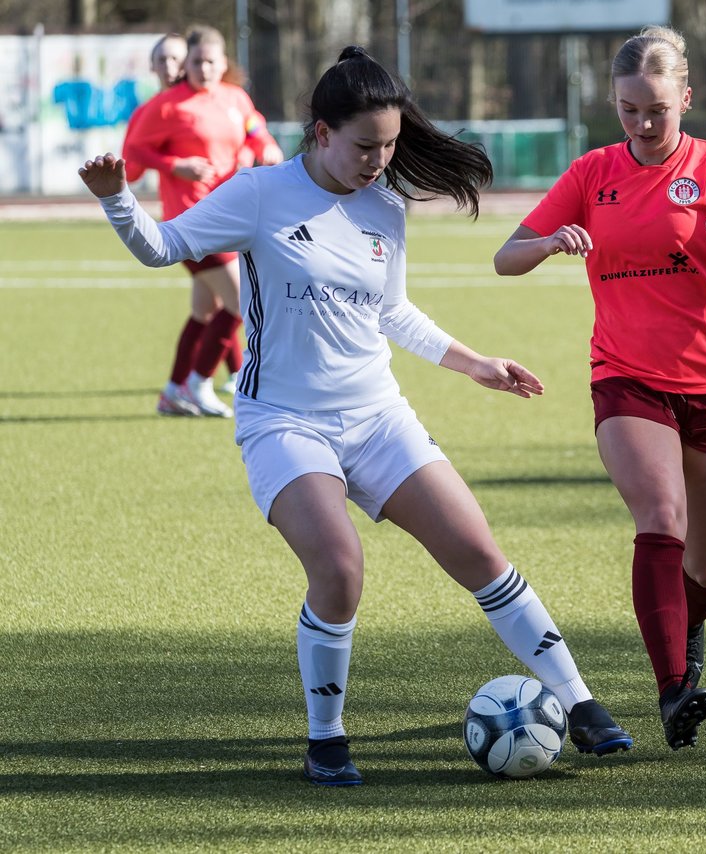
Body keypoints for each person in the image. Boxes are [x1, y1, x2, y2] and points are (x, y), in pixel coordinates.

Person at [80, 45, 632, 785]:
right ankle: (326, 738)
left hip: (377, 417)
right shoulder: (259, 194)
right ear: (320, 134)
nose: (379, 161)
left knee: (478, 552)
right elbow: (163, 247)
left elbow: (391, 312)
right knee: (339, 569)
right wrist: (119, 197)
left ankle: (582, 703)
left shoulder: (386, 208)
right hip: (283, 422)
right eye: (365, 146)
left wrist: (476, 364)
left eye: (391, 146)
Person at [493, 26, 706, 751]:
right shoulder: (594, 173)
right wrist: (549, 242)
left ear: (685, 98)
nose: (644, 124)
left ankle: (683, 637)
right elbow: (506, 259)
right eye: (629, 110)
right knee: (661, 514)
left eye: (657, 109)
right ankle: (673, 690)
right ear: (615, 104)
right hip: (626, 378)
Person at [123, 25, 284, 418]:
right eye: (196, 62)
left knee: (206, 312)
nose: (203, 68)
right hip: (191, 222)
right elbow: (132, 152)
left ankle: (174, 390)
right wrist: (174, 165)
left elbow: (255, 128)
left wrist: (265, 148)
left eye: (210, 61)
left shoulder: (234, 98)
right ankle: (199, 382)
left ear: (224, 63)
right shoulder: (166, 106)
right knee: (244, 303)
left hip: (234, 217)